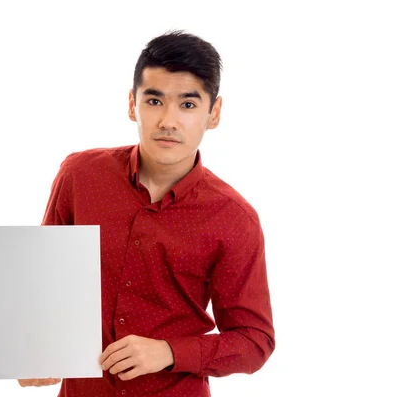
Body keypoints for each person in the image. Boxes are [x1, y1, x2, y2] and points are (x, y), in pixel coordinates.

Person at [18, 30, 275, 396]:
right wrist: (31, 350)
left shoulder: (233, 218)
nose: (168, 121)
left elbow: (255, 342)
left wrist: (169, 352)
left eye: (188, 105)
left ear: (213, 113)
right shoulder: (80, 176)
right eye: (154, 101)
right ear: (131, 104)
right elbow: (43, 286)